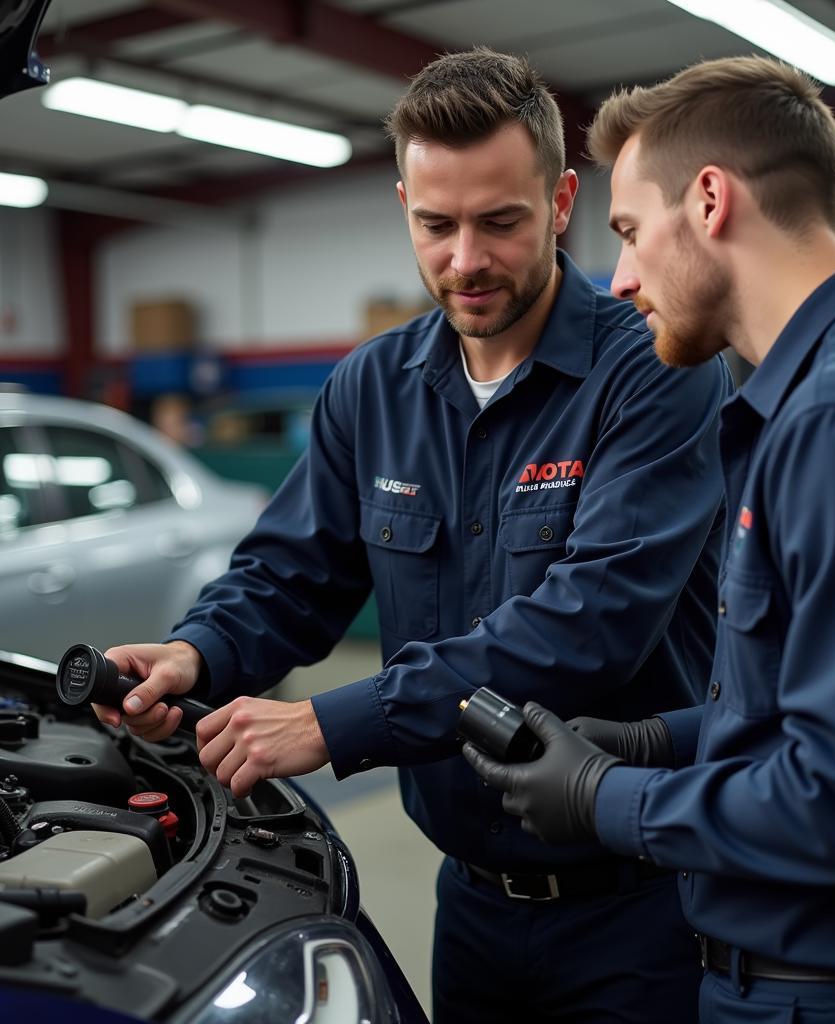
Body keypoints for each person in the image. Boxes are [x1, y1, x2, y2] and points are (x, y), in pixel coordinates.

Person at [93, 48, 731, 1023]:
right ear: (403, 204)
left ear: (561, 201)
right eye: (436, 225)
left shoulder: (653, 373)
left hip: (641, 915)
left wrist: (330, 724)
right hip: (470, 906)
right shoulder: (370, 388)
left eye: (499, 221)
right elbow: (290, 572)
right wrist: (198, 651)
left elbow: (587, 623)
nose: (465, 260)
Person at [464, 55, 835, 1023]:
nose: (617, 279)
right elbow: (826, 704)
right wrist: (655, 740)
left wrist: (606, 798)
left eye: (627, 231)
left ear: (708, 200)